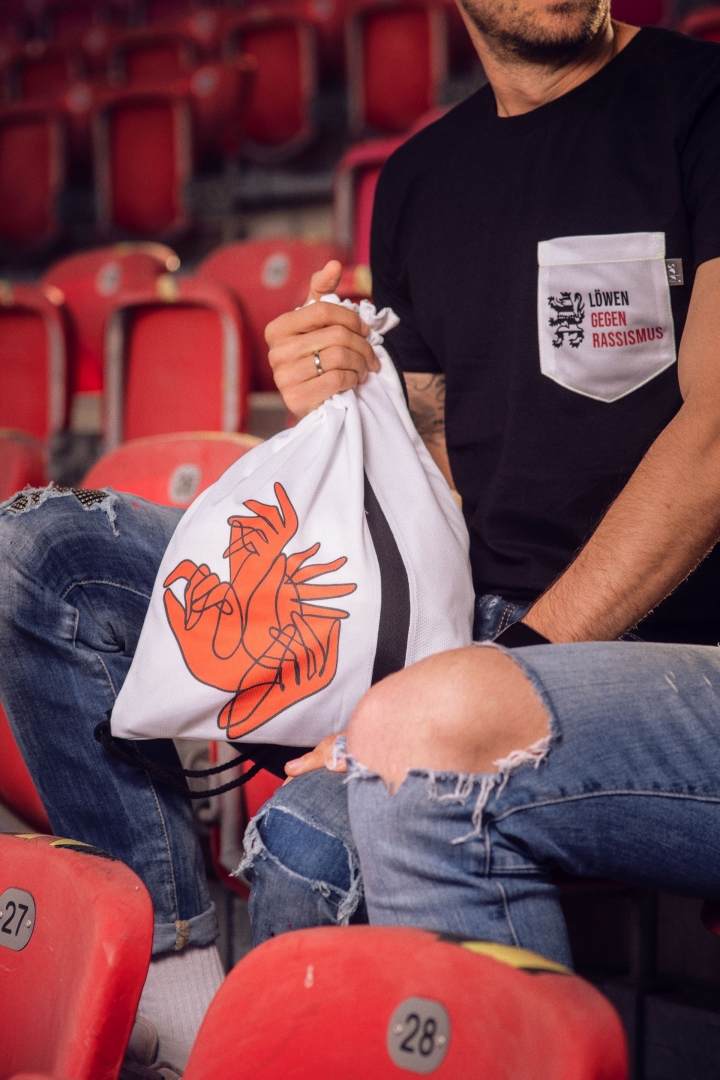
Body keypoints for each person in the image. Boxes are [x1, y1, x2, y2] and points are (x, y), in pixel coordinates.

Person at [1, 0, 720, 1067]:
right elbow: (435, 454)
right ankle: (177, 991)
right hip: (457, 609)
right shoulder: (425, 176)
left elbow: (715, 438)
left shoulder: (699, 105)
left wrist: (489, 673)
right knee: (43, 552)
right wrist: (341, 392)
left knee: (307, 840)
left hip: (634, 646)